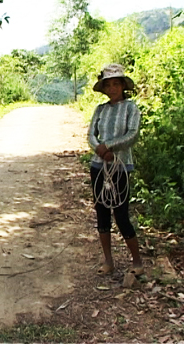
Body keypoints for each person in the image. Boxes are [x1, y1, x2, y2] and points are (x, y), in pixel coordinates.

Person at [87, 63, 143, 276]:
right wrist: (100, 150)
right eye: (108, 85)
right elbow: (91, 135)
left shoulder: (131, 108)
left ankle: (137, 262)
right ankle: (108, 261)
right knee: (102, 212)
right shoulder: (100, 110)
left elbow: (132, 134)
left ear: (123, 86)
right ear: (104, 88)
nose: (112, 88)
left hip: (120, 166)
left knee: (121, 214)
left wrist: (109, 147)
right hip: (98, 166)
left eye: (116, 84)